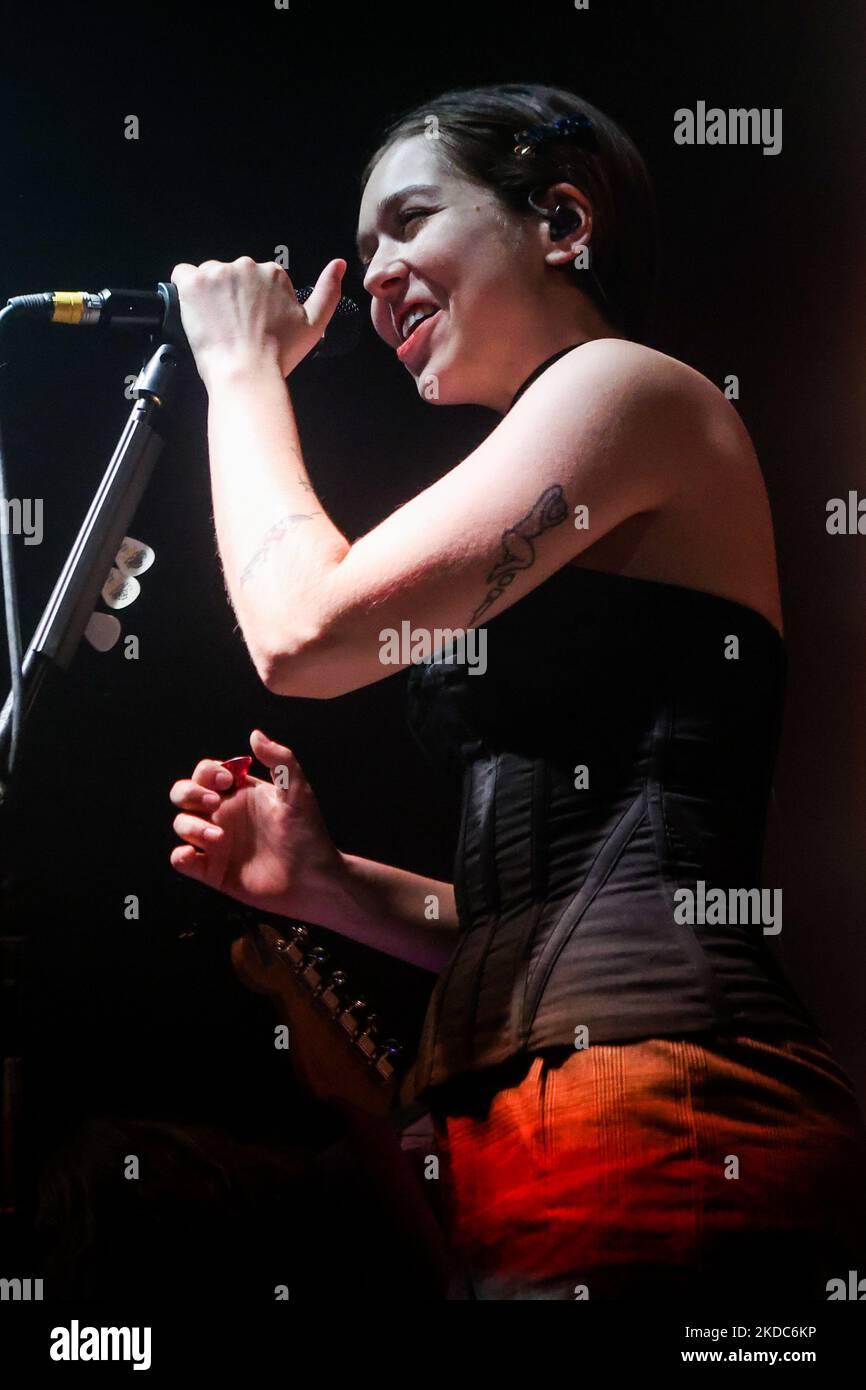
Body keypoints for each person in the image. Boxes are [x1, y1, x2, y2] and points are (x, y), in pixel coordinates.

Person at [167, 83, 866, 1300]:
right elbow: (540, 908)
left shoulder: (627, 389)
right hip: (533, 1124)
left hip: (665, 1112)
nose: (371, 270)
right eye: (363, 240)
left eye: (408, 220)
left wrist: (237, 376)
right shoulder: (559, 450)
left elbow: (302, 630)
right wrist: (332, 887)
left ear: (557, 219)